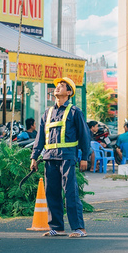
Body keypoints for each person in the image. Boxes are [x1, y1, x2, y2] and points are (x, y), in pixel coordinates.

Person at [30, 76, 91, 238]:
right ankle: (57, 227)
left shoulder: (75, 112)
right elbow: (40, 138)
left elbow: (84, 136)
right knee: (52, 192)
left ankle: (79, 228)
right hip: (49, 158)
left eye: (62, 86)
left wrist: (85, 156)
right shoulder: (47, 113)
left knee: (70, 192)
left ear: (69, 92)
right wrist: (34, 157)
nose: (57, 88)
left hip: (67, 157)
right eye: (57, 85)